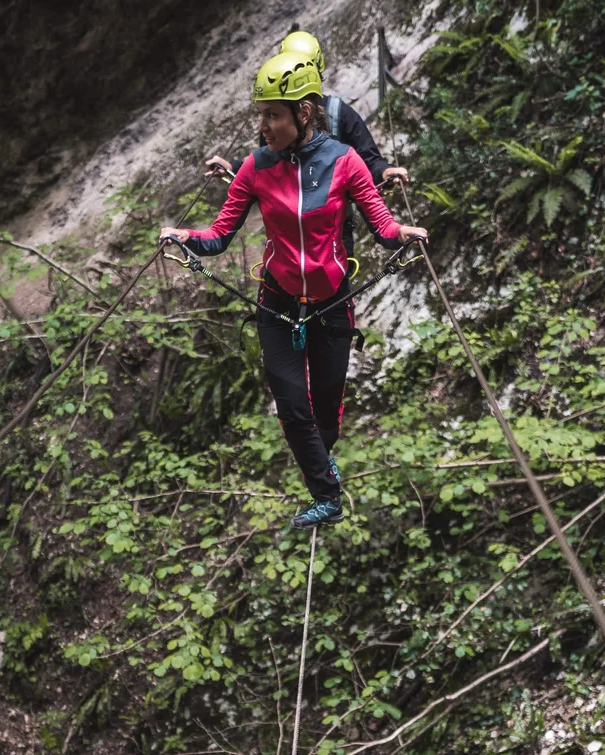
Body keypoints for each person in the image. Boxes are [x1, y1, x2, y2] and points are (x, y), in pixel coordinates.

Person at [160, 52, 428, 530]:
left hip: (332, 303)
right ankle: (327, 495)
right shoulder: (255, 167)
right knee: (291, 403)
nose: (262, 125)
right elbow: (220, 236)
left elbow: (382, 227)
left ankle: (324, 462)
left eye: (272, 115)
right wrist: (185, 238)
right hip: (277, 305)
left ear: (303, 113)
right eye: (260, 114)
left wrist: (406, 235)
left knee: (325, 411)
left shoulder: (345, 163)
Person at [205, 30, 409, 257]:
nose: (264, 125)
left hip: (332, 230)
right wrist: (233, 166)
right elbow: (268, 159)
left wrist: (385, 172)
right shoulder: (281, 118)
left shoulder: (340, 114)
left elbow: (368, 160)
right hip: (287, 233)